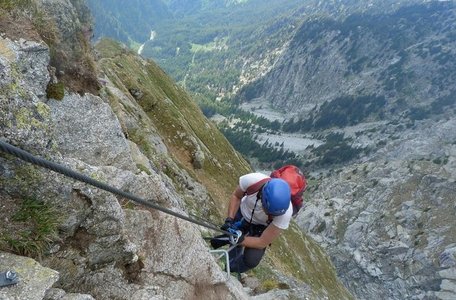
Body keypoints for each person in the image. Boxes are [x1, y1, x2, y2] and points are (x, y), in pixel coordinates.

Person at [211, 172, 292, 273]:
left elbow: (262, 242)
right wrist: (230, 219)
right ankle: (218, 244)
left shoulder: (284, 214)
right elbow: (236, 196)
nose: (268, 214)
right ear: (262, 197)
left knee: (251, 260)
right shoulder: (253, 181)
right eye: (267, 211)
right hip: (243, 215)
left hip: (261, 228)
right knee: (230, 239)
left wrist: (241, 240)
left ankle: (229, 270)